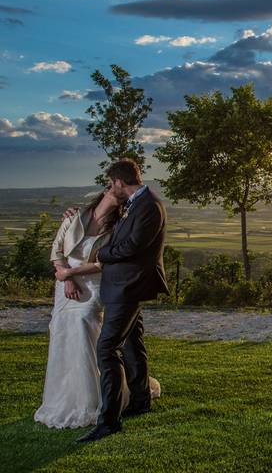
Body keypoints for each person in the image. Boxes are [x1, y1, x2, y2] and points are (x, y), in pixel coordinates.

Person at [35, 187, 161, 429]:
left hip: (93, 286)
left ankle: (94, 399)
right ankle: (65, 396)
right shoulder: (75, 216)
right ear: (107, 189)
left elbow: (105, 262)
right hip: (65, 284)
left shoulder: (117, 227)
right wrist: (66, 278)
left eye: (123, 197)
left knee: (85, 326)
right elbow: (57, 249)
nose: (119, 196)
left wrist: (72, 272)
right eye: (116, 191)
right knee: (62, 331)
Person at [75, 158, 170, 443]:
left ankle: (109, 421)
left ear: (119, 182)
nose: (109, 188)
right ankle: (140, 401)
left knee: (107, 348)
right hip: (124, 285)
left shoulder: (150, 206)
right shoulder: (132, 204)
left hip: (130, 286)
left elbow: (132, 246)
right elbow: (112, 229)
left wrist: (101, 255)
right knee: (132, 343)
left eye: (110, 183)